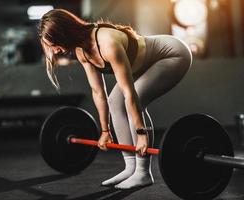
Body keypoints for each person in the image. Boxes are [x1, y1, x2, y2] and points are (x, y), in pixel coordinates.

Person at [38, 9, 192, 189]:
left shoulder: (107, 43)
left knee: (136, 98)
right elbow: (98, 92)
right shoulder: (82, 52)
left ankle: (143, 173)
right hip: (144, 65)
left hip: (172, 54)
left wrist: (142, 134)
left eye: (54, 43)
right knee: (114, 102)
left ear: (65, 33)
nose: (55, 50)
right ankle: (131, 167)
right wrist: (105, 130)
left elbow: (129, 92)